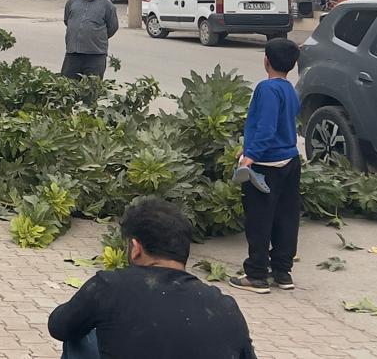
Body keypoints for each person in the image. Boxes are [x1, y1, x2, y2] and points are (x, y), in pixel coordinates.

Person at [48, 197, 256, 359]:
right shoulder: (225, 305)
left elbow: (59, 326)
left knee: (81, 334)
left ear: (136, 248)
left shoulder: (110, 287)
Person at [229, 38, 303, 295]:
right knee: (286, 217)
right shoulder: (290, 90)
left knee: (259, 219)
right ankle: (282, 272)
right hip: (291, 161)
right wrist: (247, 147)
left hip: (265, 165)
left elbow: (266, 126)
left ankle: (257, 275)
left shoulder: (266, 89)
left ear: (266, 61)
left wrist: (250, 157)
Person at [61, 0, 118, 78]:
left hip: (95, 56)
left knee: (92, 89)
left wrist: (96, 36)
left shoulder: (107, 5)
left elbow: (113, 27)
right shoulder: (73, 1)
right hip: (73, 54)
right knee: (67, 88)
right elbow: (67, 21)